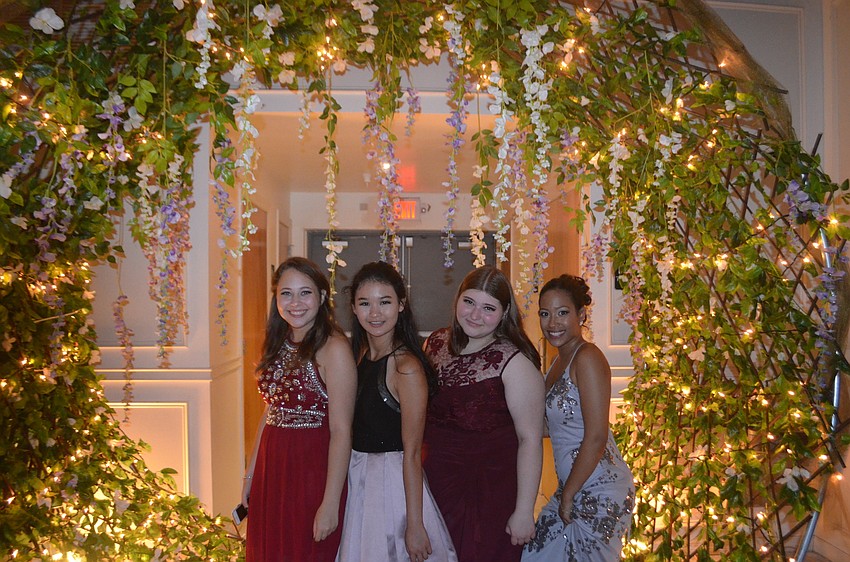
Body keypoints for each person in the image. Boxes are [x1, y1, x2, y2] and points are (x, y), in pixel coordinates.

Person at [336, 261, 457, 562]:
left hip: (391, 485)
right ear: (353, 307)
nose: (375, 313)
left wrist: (415, 524)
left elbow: (413, 452)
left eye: (385, 302)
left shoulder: (406, 367)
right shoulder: (360, 354)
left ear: (401, 304)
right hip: (358, 475)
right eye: (365, 303)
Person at [423, 266, 545, 562]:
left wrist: (523, 511)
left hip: (487, 495)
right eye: (469, 302)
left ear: (504, 313)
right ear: (457, 301)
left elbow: (530, 439)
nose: (475, 315)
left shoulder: (514, 361)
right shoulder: (435, 343)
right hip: (433, 485)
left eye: (488, 308)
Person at [242, 257, 357, 562]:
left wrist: (330, 502)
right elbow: (270, 411)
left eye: (305, 292)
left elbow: (342, 430)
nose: (295, 303)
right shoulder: (277, 340)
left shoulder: (334, 348)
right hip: (272, 468)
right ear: (276, 298)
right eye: (286, 293)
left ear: (321, 297)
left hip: (311, 472)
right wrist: (251, 475)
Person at [522, 274, 634, 562]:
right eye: (545, 314)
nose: (552, 323)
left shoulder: (588, 358)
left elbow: (596, 436)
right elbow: (551, 427)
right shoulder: (559, 361)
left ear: (580, 314)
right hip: (571, 486)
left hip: (598, 488)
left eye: (562, 313)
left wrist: (569, 493)